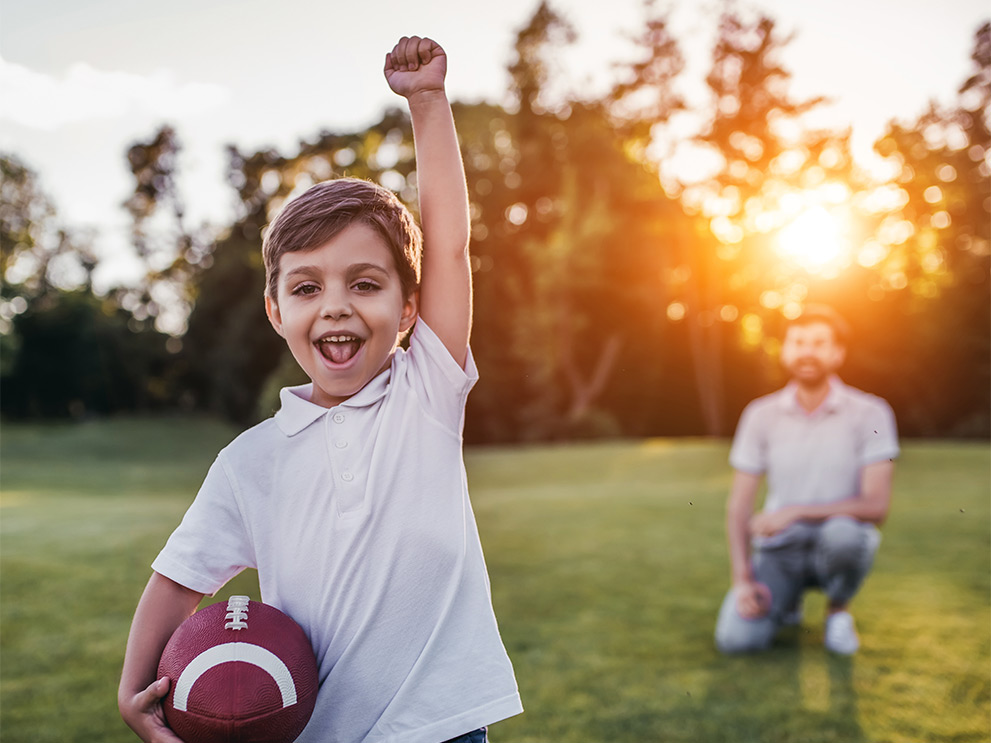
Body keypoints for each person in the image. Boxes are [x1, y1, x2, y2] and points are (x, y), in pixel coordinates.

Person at [118, 36, 523, 743]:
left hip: (440, 728)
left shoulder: (424, 392)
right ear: (277, 311)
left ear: (408, 309)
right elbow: (178, 579)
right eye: (307, 288)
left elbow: (450, 245)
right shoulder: (249, 462)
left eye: (363, 284)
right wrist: (133, 692)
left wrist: (426, 102)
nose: (334, 305)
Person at [714, 304, 899, 655]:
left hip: (839, 544)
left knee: (842, 533)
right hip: (781, 549)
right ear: (785, 351)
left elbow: (876, 507)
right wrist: (741, 580)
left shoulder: (872, 413)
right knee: (737, 641)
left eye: (818, 342)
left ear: (837, 353)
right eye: (798, 342)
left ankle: (838, 611)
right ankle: (788, 600)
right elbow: (739, 505)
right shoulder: (759, 415)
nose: (807, 351)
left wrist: (795, 510)